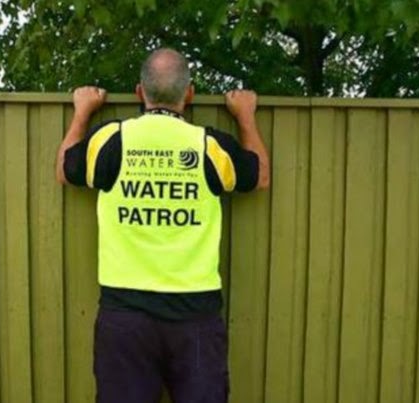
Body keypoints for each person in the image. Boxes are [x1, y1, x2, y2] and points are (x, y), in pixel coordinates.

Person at [56, 48, 270, 403]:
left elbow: (65, 170)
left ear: (140, 92)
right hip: (195, 318)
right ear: (189, 93)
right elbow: (258, 176)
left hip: (126, 318)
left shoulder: (112, 140)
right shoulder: (208, 146)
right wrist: (246, 117)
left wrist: (82, 112)